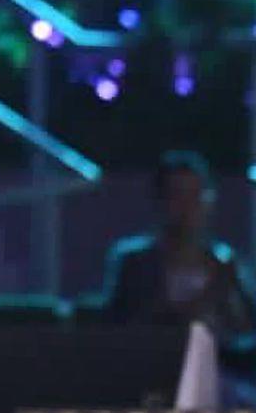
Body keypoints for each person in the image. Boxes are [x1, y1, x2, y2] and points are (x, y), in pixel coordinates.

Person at [101, 152, 256, 364]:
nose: (187, 207)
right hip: (150, 370)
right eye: (177, 195)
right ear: (159, 200)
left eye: (195, 195)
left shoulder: (225, 264)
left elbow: (245, 332)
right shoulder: (135, 263)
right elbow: (121, 330)